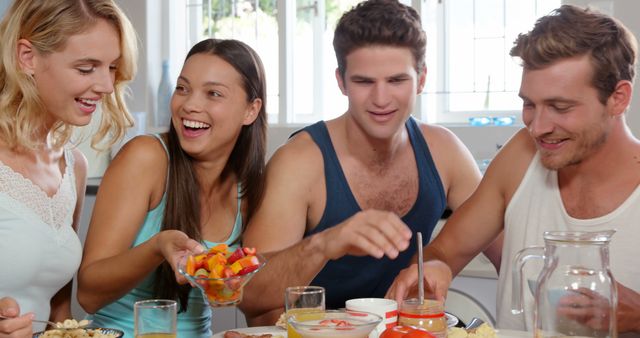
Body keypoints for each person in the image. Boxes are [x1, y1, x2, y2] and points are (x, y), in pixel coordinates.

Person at [387, 4, 640, 335]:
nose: (538, 127)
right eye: (529, 104)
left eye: (560, 107)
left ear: (618, 98)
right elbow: (445, 251)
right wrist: (433, 268)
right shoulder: (521, 156)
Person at [239, 0, 485, 326]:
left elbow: (508, 245)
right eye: (364, 82)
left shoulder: (445, 152)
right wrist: (325, 243)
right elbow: (248, 295)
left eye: (397, 81)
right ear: (341, 81)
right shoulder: (298, 162)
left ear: (421, 79)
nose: (381, 99)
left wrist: (444, 264)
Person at [76, 38, 267, 338]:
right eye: (182, 88)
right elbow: (88, 293)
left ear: (250, 110)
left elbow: (253, 295)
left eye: (213, 93)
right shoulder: (146, 158)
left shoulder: (249, 187)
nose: (189, 104)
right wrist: (156, 248)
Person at [0, 0, 137, 336]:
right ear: (27, 57)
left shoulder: (72, 165)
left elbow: (60, 309)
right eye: (86, 68)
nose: (106, 85)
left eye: (112, 67)